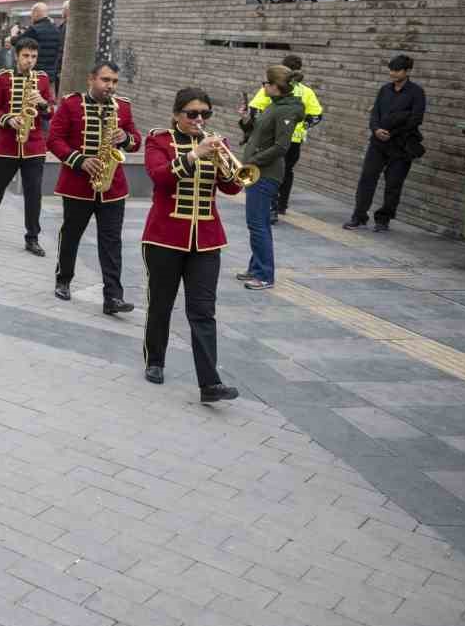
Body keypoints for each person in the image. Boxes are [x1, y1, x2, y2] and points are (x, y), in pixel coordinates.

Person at [142, 88, 245, 402]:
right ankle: (155, 360)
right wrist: (193, 155)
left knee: (203, 311)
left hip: (206, 239)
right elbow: (159, 176)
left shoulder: (218, 143)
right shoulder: (158, 140)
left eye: (205, 114)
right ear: (176, 115)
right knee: (162, 303)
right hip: (164, 236)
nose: (199, 119)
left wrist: (228, 167)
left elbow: (231, 187)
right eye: (192, 114)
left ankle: (209, 383)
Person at [49, 60, 141, 315]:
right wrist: (79, 160)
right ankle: (63, 280)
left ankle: (113, 297)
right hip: (78, 185)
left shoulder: (122, 107)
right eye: (105, 80)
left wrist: (126, 138)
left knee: (111, 241)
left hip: (112, 187)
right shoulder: (70, 104)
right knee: (71, 234)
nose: (110, 86)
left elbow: (137, 141)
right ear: (91, 79)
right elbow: (54, 140)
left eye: (114, 81)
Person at [0, 37, 55, 253]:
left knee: (34, 193)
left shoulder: (42, 79)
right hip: (8, 144)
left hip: (34, 145)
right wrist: (9, 119)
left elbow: (50, 111)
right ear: (17, 55)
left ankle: (32, 237)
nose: (29, 61)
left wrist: (41, 102)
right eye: (25, 56)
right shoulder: (4, 78)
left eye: (33, 57)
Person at [236, 64, 305, 291]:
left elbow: (281, 147)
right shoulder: (275, 106)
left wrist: (252, 161)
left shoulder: (285, 110)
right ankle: (255, 268)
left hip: (265, 174)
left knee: (258, 224)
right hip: (257, 171)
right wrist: (246, 120)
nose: (263, 86)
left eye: (266, 83)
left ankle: (264, 275)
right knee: (258, 222)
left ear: (276, 86)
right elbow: (257, 134)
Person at [346, 54, 426, 233]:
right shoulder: (384, 90)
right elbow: (375, 114)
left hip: (401, 145)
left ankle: (384, 219)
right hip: (378, 143)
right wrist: (375, 130)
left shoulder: (416, 92)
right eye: (391, 70)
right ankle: (359, 216)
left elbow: (416, 119)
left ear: (407, 71)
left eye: (397, 70)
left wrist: (392, 133)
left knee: (393, 184)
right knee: (367, 179)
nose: (393, 74)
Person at [245, 54, 323, 222]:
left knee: (270, 172)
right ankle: (282, 205)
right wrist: (302, 126)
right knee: (286, 172)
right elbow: (317, 115)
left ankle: (271, 207)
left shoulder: (273, 87)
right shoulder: (306, 91)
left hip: (271, 141)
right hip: (295, 141)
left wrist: (258, 125)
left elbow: (255, 109)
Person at [24, 2, 62, 84]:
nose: (31, 16)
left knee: (32, 96)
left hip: (35, 74)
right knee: (46, 96)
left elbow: (20, 43)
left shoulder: (33, 29)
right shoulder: (57, 30)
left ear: (36, 13)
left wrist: (12, 38)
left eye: (32, 13)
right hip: (50, 75)